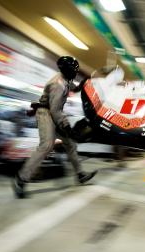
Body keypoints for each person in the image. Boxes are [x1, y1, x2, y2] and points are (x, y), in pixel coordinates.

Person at [13, 56, 97, 199]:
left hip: (53, 112)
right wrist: (66, 126)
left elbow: (72, 88)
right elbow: (55, 111)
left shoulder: (64, 79)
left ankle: (80, 175)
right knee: (46, 145)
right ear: (67, 70)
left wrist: (81, 86)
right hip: (45, 113)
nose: (75, 73)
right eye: (74, 71)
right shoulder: (58, 84)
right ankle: (21, 179)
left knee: (70, 144)